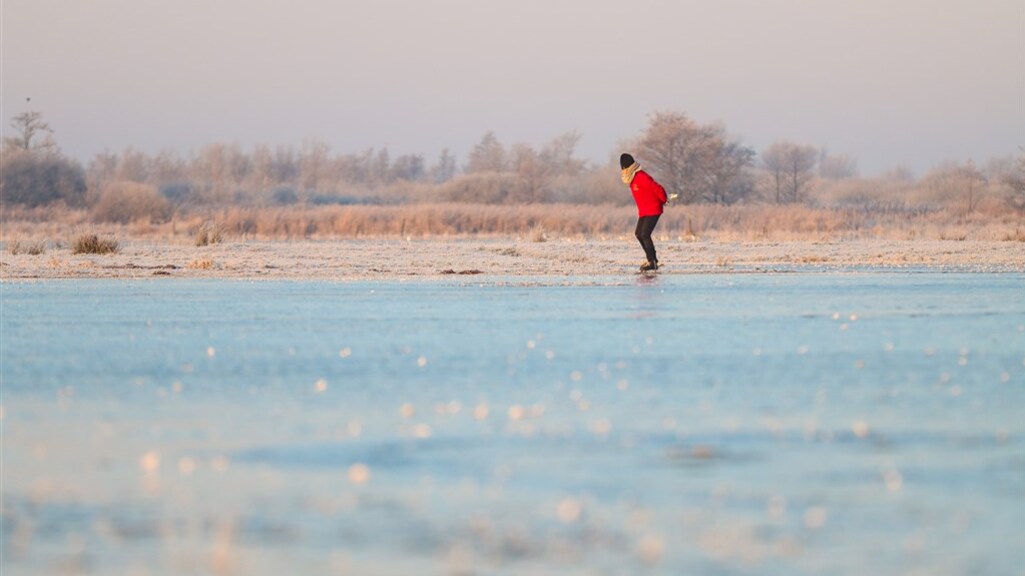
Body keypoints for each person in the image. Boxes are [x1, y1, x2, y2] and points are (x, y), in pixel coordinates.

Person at [620, 153, 667, 271]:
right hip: (645, 210)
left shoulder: (641, 177)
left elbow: (657, 188)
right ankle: (651, 260)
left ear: (626, 167)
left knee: (645, 234)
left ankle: (652, 262)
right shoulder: (632, 178)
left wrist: (664, 199)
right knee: (638, 234)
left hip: (653, 209)